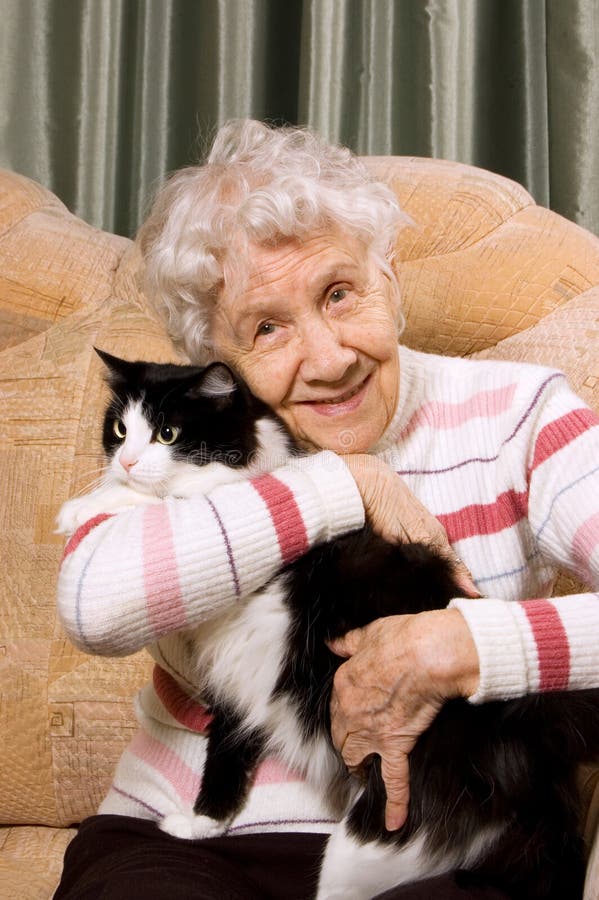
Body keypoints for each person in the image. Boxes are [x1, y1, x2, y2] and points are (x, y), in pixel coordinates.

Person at [54, 120, 599, 899]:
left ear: (392, 280)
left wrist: (468, 645)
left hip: (435, 842)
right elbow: (92, 603)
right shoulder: (184, 447)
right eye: (267, 327)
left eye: (340, 294)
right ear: (214, 359)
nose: (331, 357)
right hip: (191, 840)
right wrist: (344, 485)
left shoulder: (519, 413)